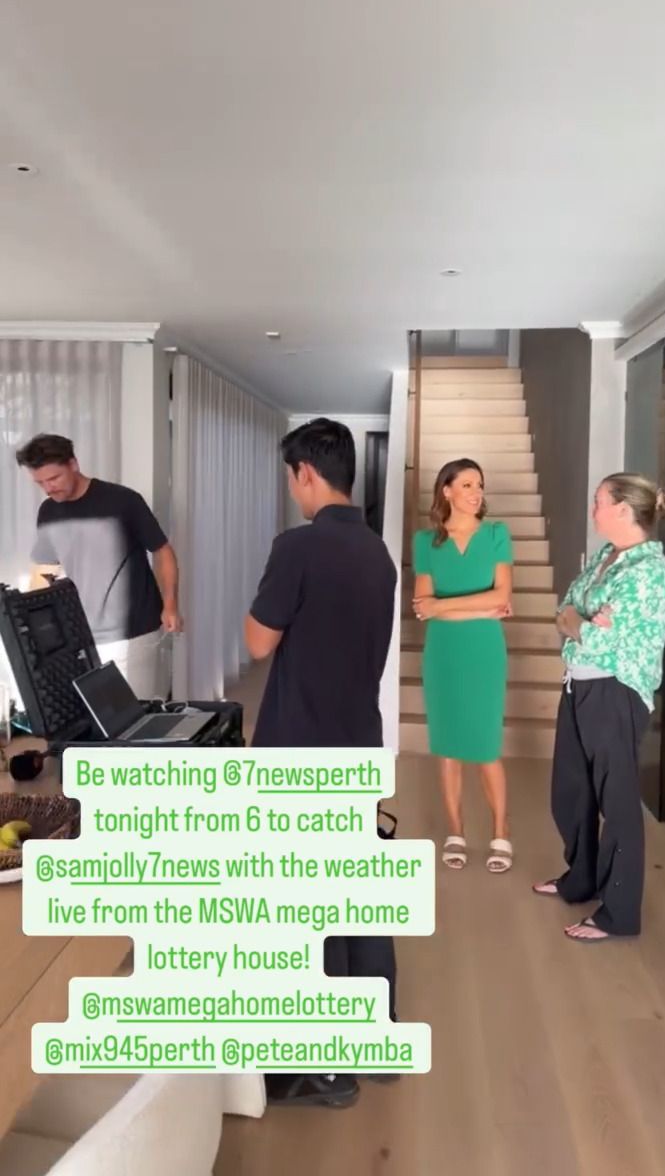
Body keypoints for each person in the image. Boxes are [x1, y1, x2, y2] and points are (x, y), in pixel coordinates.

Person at [244, 417, 398, 1110]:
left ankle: (323, 1066)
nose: (291, 488)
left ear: (306, 473)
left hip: (300, 750)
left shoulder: (298, 546)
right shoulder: (377, 552)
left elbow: (257, 642)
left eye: (290, 476)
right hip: (357, 741)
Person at [533, 473, 665, 943]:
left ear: (622, 510)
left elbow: (600, 637)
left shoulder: (649, 571)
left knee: (617, 801)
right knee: (571, 789)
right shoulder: (606, 556)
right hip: (579, 684)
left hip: (616, 692)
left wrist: (581, 622)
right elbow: (565, 609)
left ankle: (618, 912)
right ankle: (581, 878)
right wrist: (581, 619)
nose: (592, 510)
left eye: (599, 502)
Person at [16, 434, 182, 699]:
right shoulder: (48, 512)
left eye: (54, 478)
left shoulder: (123, 501)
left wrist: (170, 605)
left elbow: (163, 551)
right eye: (40, 483)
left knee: (136, 715)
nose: (48, 488)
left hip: (133, 631)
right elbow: (45, 569)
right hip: (77, 634)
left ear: (73, 464)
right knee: (87, 715)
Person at [412, 458, 514, 874]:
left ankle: (500, 832)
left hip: (484, 652)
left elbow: (502, 596)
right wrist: (478, 607)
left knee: (486, 746)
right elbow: (422, 607)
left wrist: (442, 605)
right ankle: (455, 831)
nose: (476, 492)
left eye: (480, 485)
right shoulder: (425, 542)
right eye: (467, 484)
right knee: (449, 746)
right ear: (447, 490)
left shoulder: (496, 534)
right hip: (443, 654)